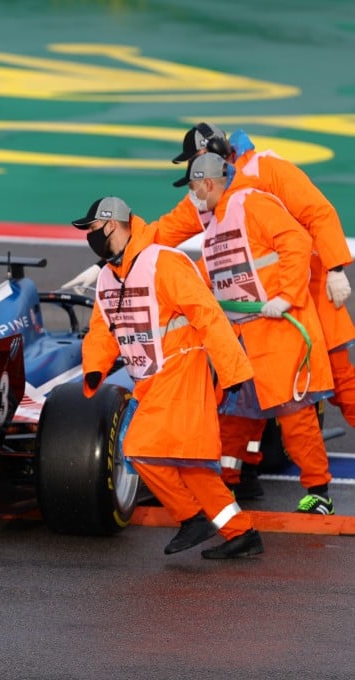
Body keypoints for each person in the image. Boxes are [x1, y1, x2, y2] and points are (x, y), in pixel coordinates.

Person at [171, 122, 355, 500]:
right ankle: (246, 472)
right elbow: (171, 230)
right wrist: (123, 255)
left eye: (196, 162)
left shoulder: (267, 170)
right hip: (261, 312)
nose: (193, 173)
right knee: (250, 397)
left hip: (313, 291)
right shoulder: (213, 195)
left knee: (339, 387)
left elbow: (317, 214)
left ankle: (304, 485)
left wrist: (336, 268)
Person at [75, 196, 263, 559]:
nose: (89, 235)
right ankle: (242, 533)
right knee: (188, 462)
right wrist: (95, 366)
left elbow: (208, 316)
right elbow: (102, 330)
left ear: (111, 224)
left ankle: (191, 518)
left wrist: (231, 369)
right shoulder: (107, 277)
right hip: (151, 378)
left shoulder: (164, 262)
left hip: (181, 368)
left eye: (92, 228)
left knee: (138, 447)